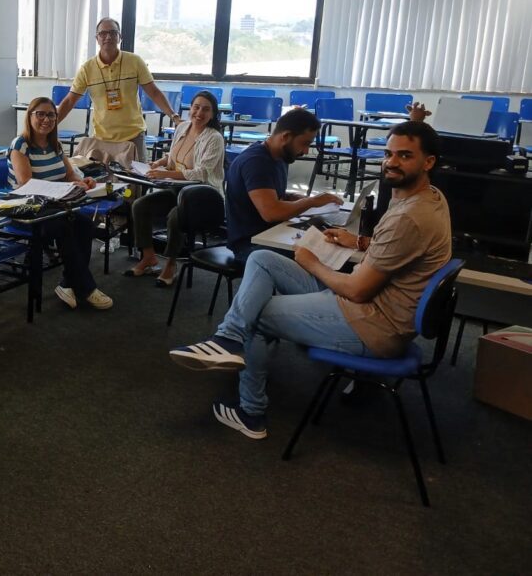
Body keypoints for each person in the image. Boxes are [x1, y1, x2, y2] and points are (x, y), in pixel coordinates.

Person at [168, 121, 451, 440]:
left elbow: (357, 290)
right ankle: (228, 340)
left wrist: (311, 262)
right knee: (263, 259)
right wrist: (359, 242)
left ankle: (250, 413)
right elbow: (400, 248)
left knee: (256, 312)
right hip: (376, 308)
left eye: (405, 155)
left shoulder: (409, 217)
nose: (392, 162)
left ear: (428, 162)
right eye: (388, 154)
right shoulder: (430, 198)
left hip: (372, 324)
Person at [7, 97, 113, 310]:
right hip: (28, 209)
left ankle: (68, 283)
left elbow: (70, 174)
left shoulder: (55, 144)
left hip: (55, 206)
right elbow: (26, 183)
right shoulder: (20, 144)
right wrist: (60, 189)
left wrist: (82, 181)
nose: (46, 119)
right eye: (40, 114)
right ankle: (87, 288)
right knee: (64, 227)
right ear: (29, 116)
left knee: (84, 223)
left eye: (51, 115)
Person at [125, 90, 226, 286]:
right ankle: (148, 256)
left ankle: (171, 264)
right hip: (178, 189)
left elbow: (201, 173)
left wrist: (165, 174)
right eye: (196, 107)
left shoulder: (214, 138)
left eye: (206, 109)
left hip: (203, 196)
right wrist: (159, 163)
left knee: (175, 216)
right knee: (140, 205)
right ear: (190, 108)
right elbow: (172, 157)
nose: (199, 113)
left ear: (213, 114)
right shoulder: (182, 127)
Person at [224, 108, 342, 263]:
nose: (306, 151)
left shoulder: (279, 156)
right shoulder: (256, 162)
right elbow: (272, 212)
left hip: (271, 235)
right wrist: (311, 202)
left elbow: (270, 194)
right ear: (286, 136)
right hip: (250, 246)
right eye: (304, 143)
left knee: (331, 244)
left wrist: (293, 197)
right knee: (327, 256)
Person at [56, 18, 180, 162]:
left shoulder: (135, 61)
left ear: (119, 37)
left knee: (137, 175)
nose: (108, 37)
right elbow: (70, 101)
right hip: (102, 138)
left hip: (133, 136)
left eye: (113, 33)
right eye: (103, 33)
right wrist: (51, 126)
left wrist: (174, 117)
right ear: (97, 38)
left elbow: (154, 92)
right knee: (101, 176)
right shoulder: (87, 68)